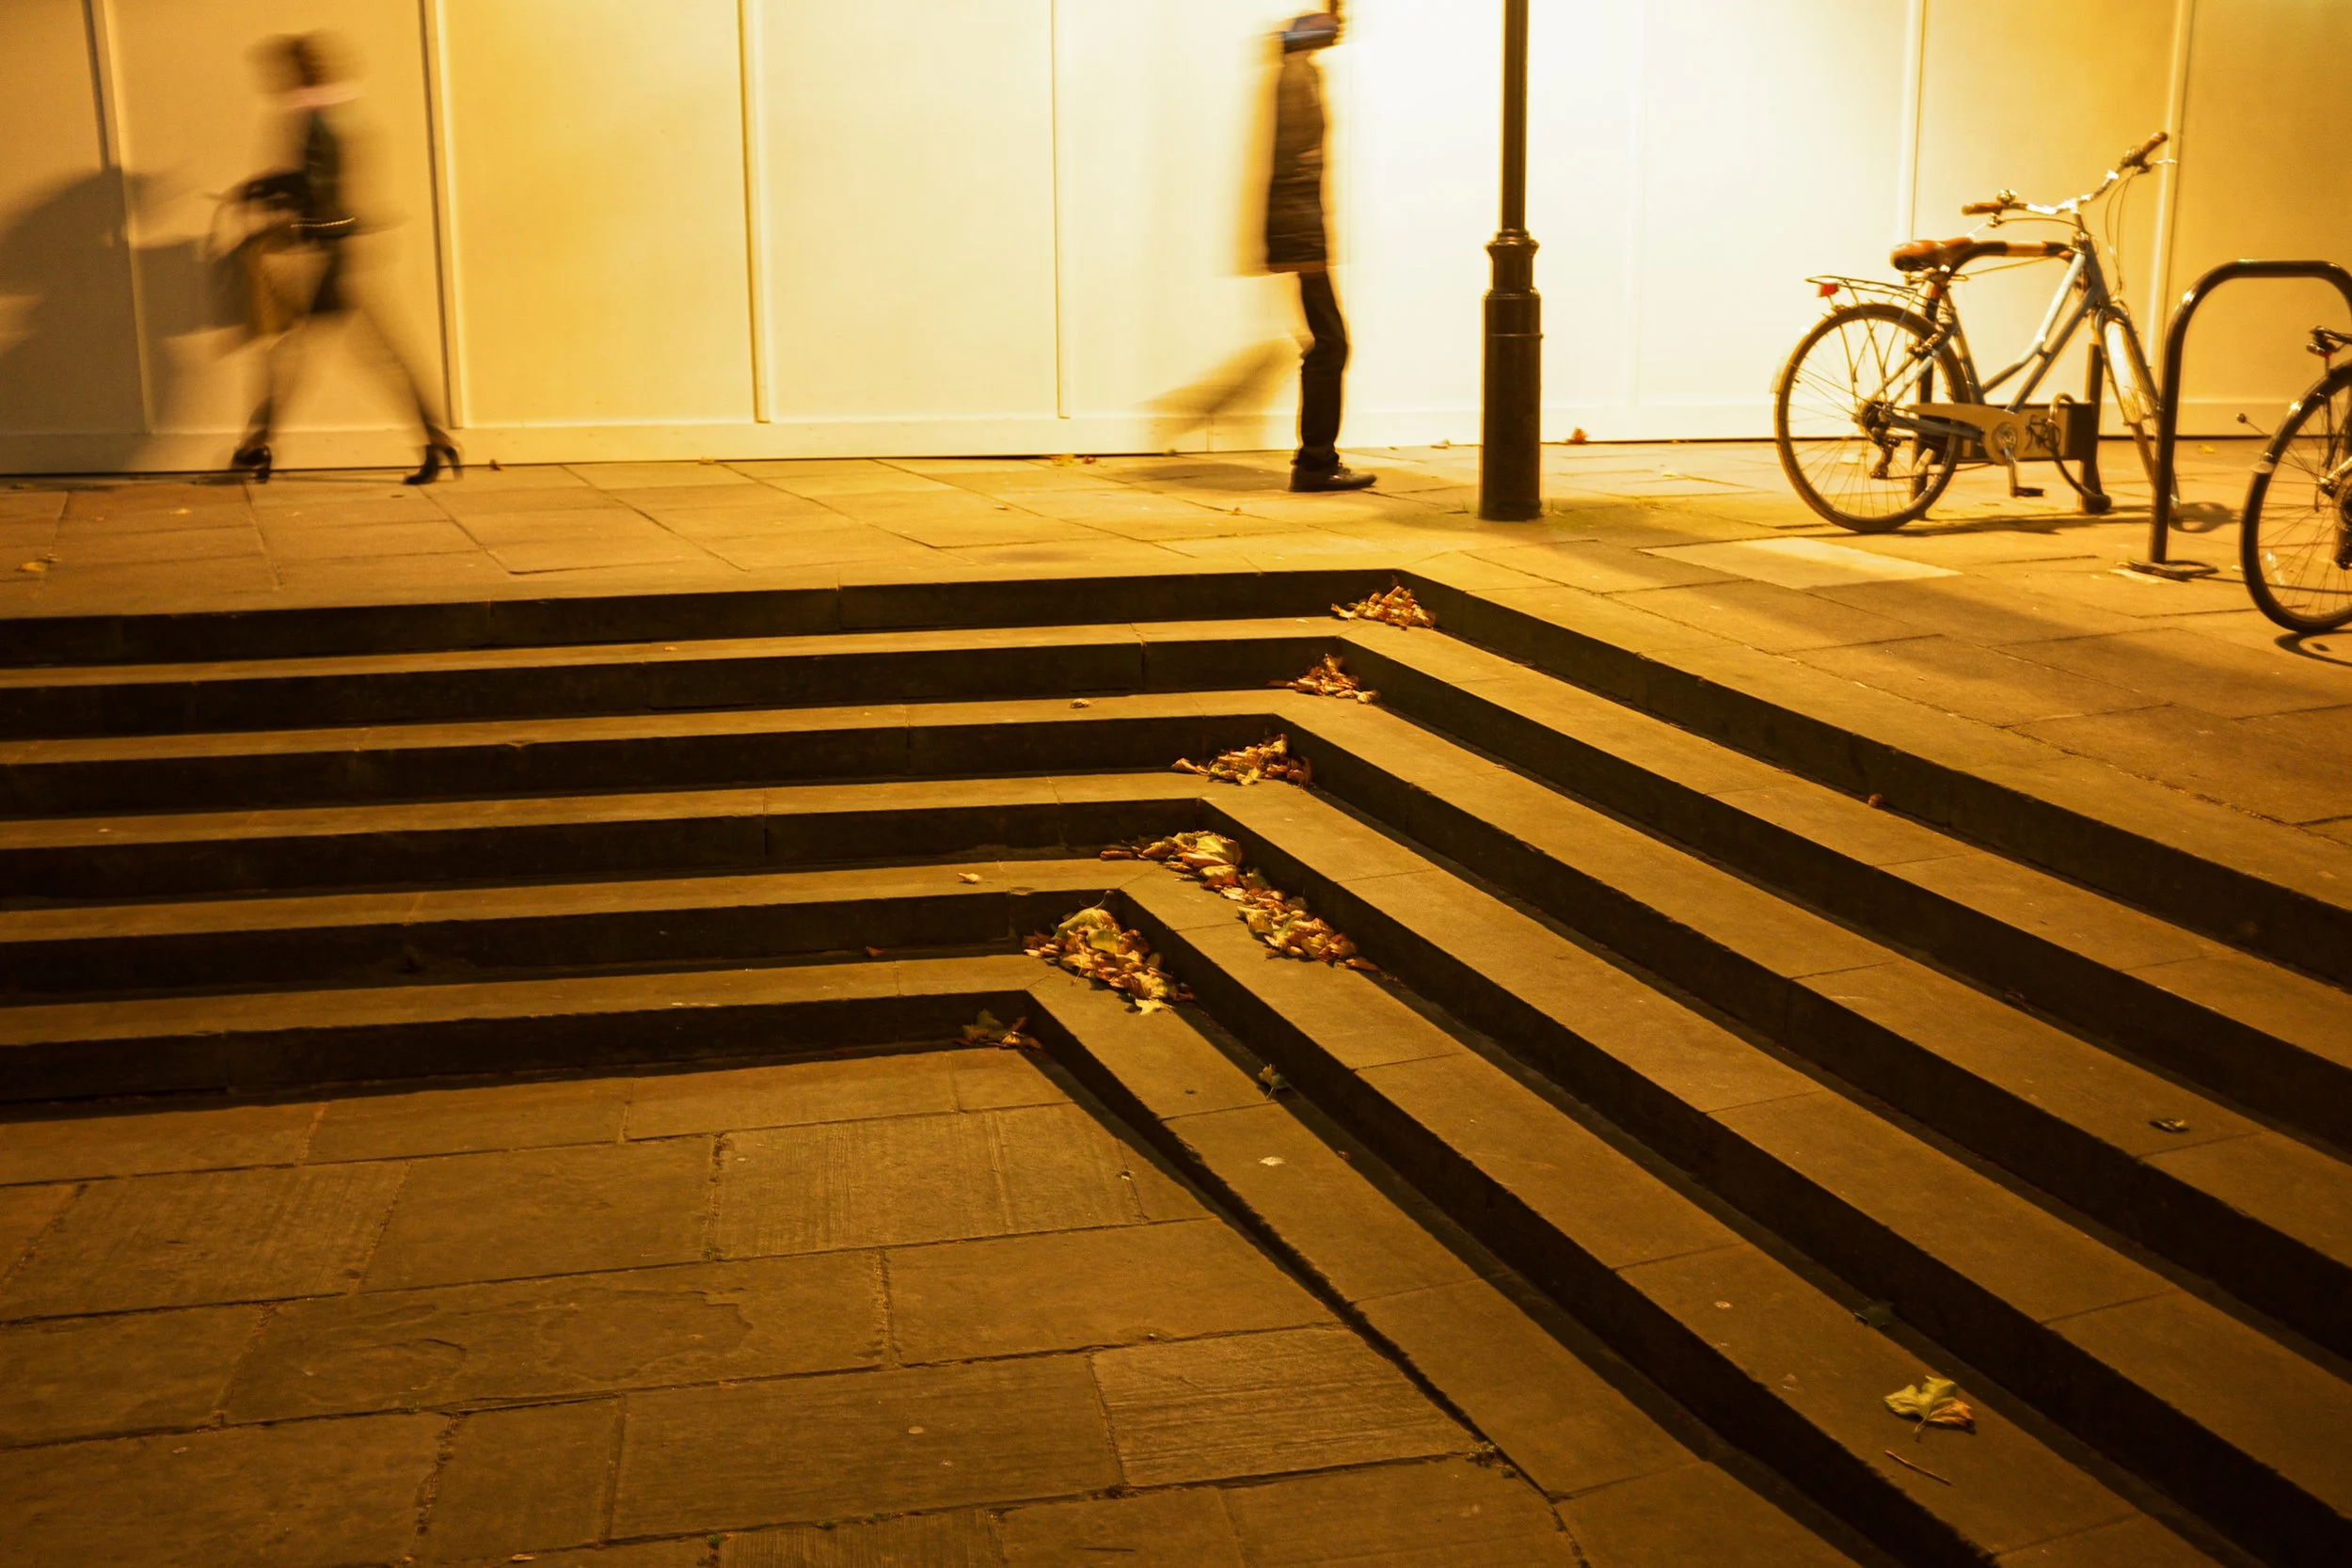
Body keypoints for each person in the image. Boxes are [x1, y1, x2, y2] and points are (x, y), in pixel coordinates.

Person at [229, 33, 457, 485]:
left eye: (290, 68)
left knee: (298, 355)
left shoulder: (318, 119)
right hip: (337, 252)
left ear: (302, 71)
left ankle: (258, 445)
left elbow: (318, 187)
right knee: (353, 355)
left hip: (332, 255)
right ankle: (436, 440)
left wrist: (269, 190)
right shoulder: (330, 113)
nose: (281, 78)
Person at [1265, 7, 1373, 494]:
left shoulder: (1298, 72)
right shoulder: (1296, 77)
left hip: (1304, 235)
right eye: (1333, 20)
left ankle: (1315, 457)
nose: (1341, 27)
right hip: (1303, 236)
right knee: (1331, 345)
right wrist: (1305, 247)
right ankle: (1314, 462)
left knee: (1327, 344)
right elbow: (1292, 166)